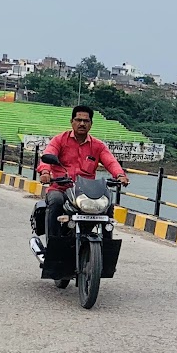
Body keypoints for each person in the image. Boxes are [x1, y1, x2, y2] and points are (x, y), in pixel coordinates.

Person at [38, 105, 129, 250]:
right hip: (61, 187)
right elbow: (48, 155)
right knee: (55, 201)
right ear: (72, 122)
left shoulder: (98, 146)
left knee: (108, 205)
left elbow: (110, 161)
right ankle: (52, 246)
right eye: (78, 120)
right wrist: (45, 172)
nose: (82, 123)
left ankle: (106, 249)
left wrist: (120, 175)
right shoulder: (60, 140)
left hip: (86, 191)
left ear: (91, 124)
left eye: (86, 121)